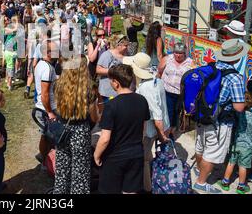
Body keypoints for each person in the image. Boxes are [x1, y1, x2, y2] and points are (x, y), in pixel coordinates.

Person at [193, 39, 248, 194]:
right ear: (236, 58)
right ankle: (201, 182)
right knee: (212, 153)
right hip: (220, 122)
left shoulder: (211, 68)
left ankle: (199, 170)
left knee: (200, 147)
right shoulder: (235, 78)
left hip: (202, 115)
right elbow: (238, 107)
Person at [94, 64, 150, 194]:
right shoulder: (142, 100)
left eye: (111, 80)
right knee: (131, 191)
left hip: (115, 157)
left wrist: (96, 155)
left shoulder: (111, 106)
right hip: (136, 153)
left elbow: (105, 139)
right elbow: (143, 128)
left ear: (116, 83)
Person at [124, 53, 170, 193]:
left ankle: (146, 187)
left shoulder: (147, 88)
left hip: (150, 131)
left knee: (143, 159)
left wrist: (162, 136)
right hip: (155, 129)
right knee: (147, 157)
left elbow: (157, 116)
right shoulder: (156, 80)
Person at [53, 56, 97, 194]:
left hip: (62, 130)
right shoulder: (89, 88)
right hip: (81, 131)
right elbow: (94, 116)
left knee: (62, 170)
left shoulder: (58, 84)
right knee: (81, 173)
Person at [217, 93, 252, 194]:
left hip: (236, 143)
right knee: (243, 166)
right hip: (248, 146)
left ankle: (225, 182)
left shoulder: (238, 113)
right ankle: (241, 187)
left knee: (231, 163)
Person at [158, 42, 193, 138]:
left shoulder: (190, 63)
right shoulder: (167, 59)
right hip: (167, 91)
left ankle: (172, 131)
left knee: (176, 112)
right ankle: (165, 133)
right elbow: (159, 71)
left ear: (184, 53)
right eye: (176, 52)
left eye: (180, 53)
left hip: (180, 93)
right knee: (168, 112)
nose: (178, 55)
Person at [33, 39, 59, 164]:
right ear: (48, 53)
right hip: (45, 109)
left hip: (44, 107)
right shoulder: (47, 69)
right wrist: (50, 112)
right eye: (55, 50)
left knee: (46, 135)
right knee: (48, 136)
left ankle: (44, 157)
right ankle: (45, 160)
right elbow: (44, 94)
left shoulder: (40, 64)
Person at [96, 34, 129, 103]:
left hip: (121, 93)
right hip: (107, 93)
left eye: (128, 45)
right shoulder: (107, 55)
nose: (127, 47)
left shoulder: (127, 55)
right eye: (125, 45)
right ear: (118, 45)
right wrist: (115, 71)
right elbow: (98, 70)